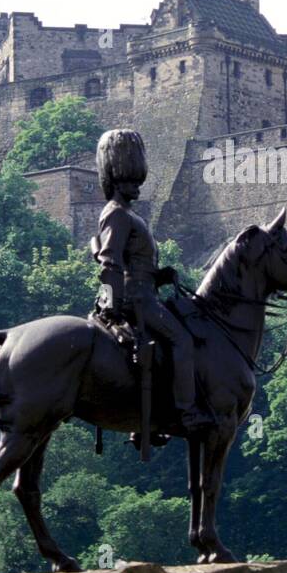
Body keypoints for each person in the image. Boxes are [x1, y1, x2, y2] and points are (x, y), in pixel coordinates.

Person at [92, 129, 212, 434]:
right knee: (181, 340)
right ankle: (185, 412)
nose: (137, 187)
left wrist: (161, 276)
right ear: (116, 181)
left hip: (147, 292)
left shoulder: (131, 215)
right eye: (131, 181)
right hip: (138, 299)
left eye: (137, 181)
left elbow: (136, 263)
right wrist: (110, 304)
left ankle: (160, 409)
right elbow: (109, 262)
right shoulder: (116, 214)